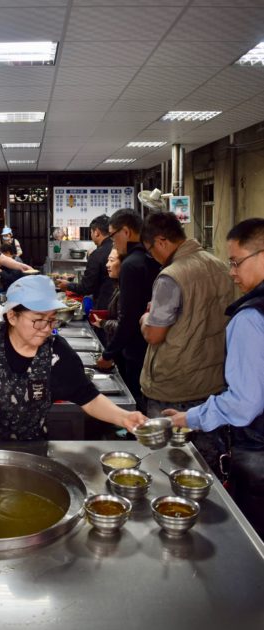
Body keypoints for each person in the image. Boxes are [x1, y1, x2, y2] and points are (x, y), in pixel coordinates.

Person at [0, 274, 146, 440]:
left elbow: (89, 398)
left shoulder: (57, 353)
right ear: (12, 316)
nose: (46, 329)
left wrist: (123, 417)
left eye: (51, 320)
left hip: (30, 452)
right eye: (38, 319)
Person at [167, 218, 264, 539]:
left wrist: (190, 417)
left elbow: (245, 403)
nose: (232, 272)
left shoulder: (251, 317)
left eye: (236, 262)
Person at [139, 211, 234, 418]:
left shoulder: (171, 276)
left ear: (161, 241)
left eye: (150, 250)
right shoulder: (219, 266)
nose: (152, 257)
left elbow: (154, 334)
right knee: (204, 450)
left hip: (174, 386)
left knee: (167, 449)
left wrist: (146, 318)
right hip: (213, 381)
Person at [96, 208, 160, 410]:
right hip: (153, 345)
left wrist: (108, 354)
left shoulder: (131, 264)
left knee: (135, 402)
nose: (113, 242)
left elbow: (129, 317)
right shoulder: (150, 258)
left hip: (136, 347)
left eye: (113, 236)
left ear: (126, 232)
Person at [56, 215, 114, 310]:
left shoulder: (97, 254)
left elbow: (87, 287)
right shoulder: (118, 248)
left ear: (96, 232)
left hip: (104, 307)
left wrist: (68, 285)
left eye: (91, 232)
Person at [90, 247, 125, 374]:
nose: (107, 264)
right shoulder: (117, 285)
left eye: (111, 260)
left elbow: (125, 326)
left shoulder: (125, 291)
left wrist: (103, 323)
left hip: (123, 355)